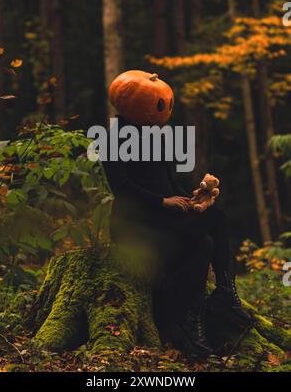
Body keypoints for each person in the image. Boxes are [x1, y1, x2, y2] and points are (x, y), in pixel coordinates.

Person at [102, 70, 251, 359]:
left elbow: (170, 183)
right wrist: (163, 201)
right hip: (136, 223)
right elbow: (122, 188)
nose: (165, 108)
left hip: (166, 215)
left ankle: (224, 294)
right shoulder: (112, 138)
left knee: (217, 218)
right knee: (202, 243)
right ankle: (187, 323)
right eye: (159, 103)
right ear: (133, 104)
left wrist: (192, 198)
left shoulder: (159, 136)